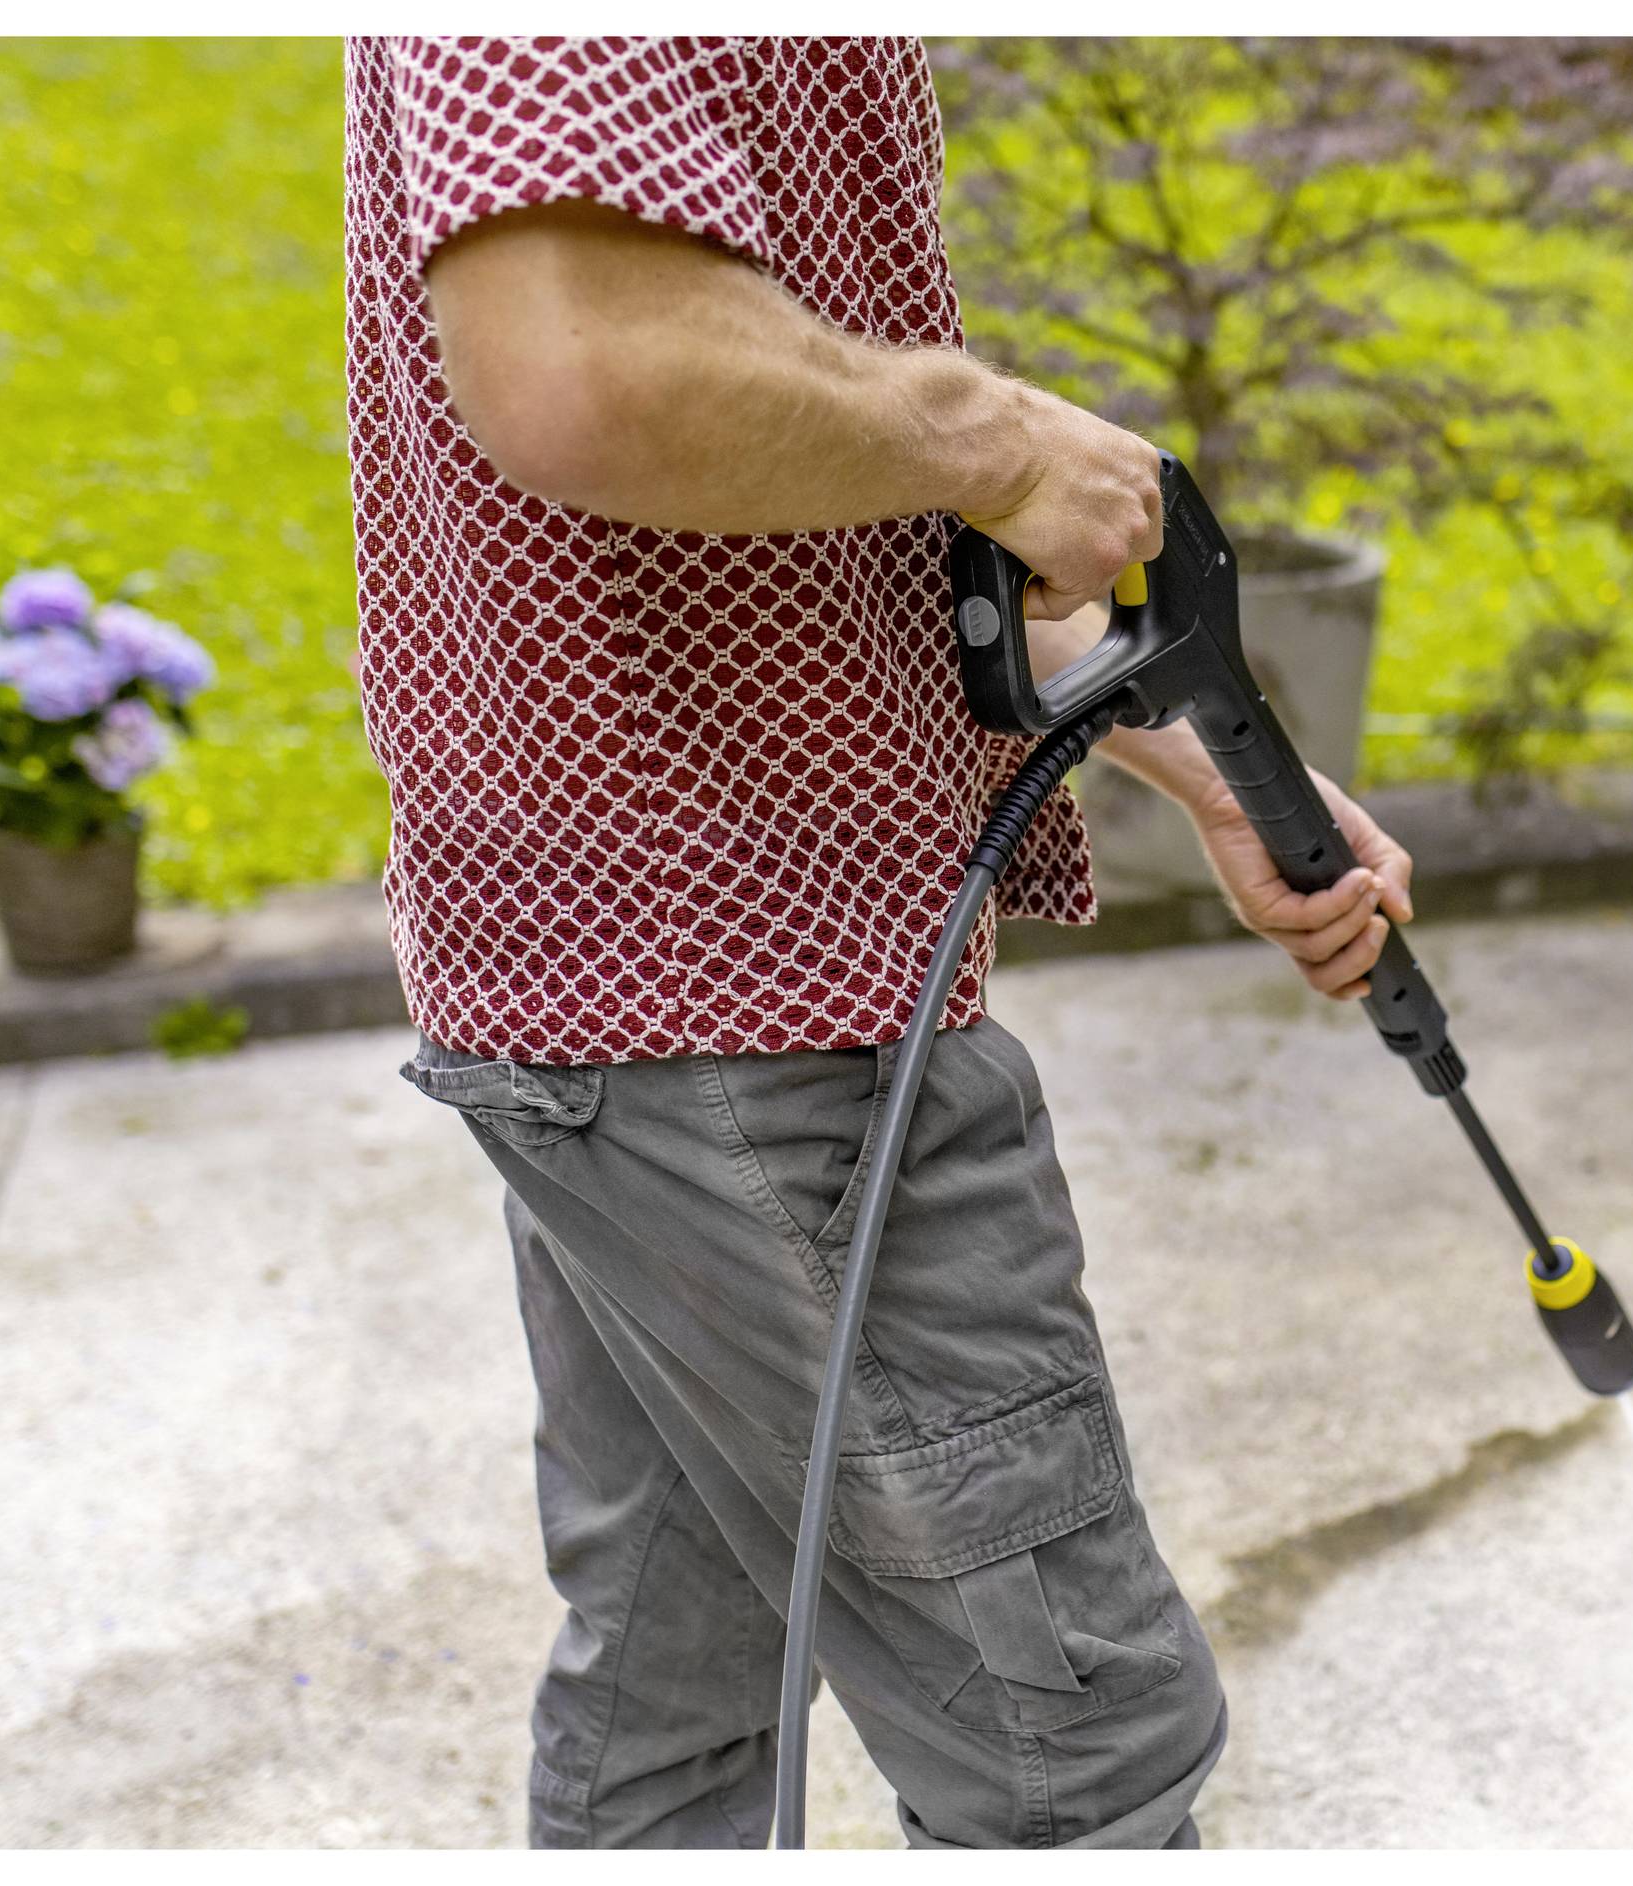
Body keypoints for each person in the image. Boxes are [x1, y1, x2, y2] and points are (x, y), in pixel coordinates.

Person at [340, 36, 1417, 1849]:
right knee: (1076, 1743)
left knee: (684, 1684)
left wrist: (1207, 759)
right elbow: (587, 364)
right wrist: (993, 436)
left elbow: (790, 482)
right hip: (744, 1004)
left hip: (639, 995)